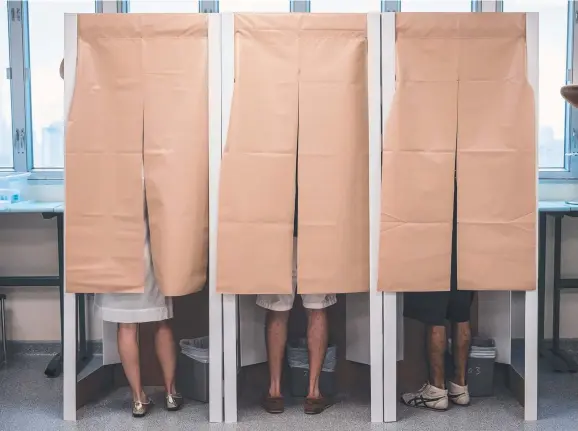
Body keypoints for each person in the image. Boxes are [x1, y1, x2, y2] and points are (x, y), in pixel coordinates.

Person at [61, 59, 182, 418]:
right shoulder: (154, 152)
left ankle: (138, 397)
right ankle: (172, 393)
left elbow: (69, 69)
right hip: (148, 250)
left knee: (126, 326)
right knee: (161, 321)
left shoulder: (100, 155)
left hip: (112, 246)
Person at [258, 191, 336, 415]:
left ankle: (274, 391)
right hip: (318, 230)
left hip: (279, 233)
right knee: (317, 309)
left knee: (277, 311)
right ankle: (313, 392)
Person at [400, 173, 473, 411]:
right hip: (466, 236)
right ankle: (460, 387)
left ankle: (436, 389)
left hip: (429, 237)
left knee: (434, 316)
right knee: (461, 315)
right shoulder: (468, 159)